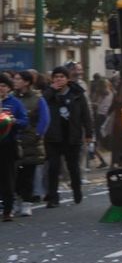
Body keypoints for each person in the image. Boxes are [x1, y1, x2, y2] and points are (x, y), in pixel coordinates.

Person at [42, 67, 90, 208]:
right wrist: (51, 90)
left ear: (67, 79)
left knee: (73, 166)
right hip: (53, 136)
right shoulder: (48, 93)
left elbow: (85, 114)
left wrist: (89, 132)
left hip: (72, 136)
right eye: (56, 77)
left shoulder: (77, 94)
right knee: (53, 167)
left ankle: (76, 190)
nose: (59, 79)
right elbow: (41, 104)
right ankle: (53, 196)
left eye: (62, 76)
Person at [10, 71, 48, 211]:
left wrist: (38, 134)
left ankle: (26, 201)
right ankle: (15, 199)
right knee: (13, 173)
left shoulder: (38, 98)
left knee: (28, 172)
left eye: (18, 79)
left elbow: (44, 119)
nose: (15, 81)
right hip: (13, 139)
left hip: (30, 140)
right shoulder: (11, 98)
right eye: (14, 78)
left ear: (27, 82)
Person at [0, 79, 28, 222]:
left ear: (9, 88)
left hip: (8, 145)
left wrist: (13, 121)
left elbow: (24, 121)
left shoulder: (15, 103)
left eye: (3, 85)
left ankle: (7, 209)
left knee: (7, 178)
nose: (1, 88)